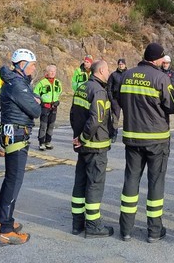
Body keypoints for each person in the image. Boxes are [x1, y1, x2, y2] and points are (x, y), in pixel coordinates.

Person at [117, 42, 174, 243]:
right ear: (157, 59)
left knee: (131, 181)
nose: (164, 61)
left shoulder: (127, 75)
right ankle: (154, 231)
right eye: (162, 58)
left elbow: (120, 99)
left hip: (132, 137)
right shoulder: (161, 78)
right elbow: (172, 106)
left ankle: (125, 229)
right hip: (156, 140)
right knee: (155, 183)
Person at [0, 48, 42, 246]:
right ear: (21, 64)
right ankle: (5, 230)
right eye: (31, 65)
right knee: (14, 181)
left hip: (14, 132)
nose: (33, 69)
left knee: (10, 180)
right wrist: (35, 101)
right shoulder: (17, 84)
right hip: (17, 134)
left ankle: (2, 222)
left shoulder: (15, 82)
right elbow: (35, 109)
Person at [70, 60, 116, 237]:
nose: (109, 73)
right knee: (95, 184)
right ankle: (93, 226)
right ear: (102, 71)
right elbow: (97, 118)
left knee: (80, 183)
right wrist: (83, 137)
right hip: (95, 145)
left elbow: (73, 113)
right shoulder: (98, 91)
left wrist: (77, 136)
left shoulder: (82, 87)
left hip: (83, 145)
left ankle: (77, 223)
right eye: (108, 70)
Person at [33, 64, 63, 151]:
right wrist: (40, 101)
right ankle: (41, 142)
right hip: (45, 107)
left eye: (54, 71)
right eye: (51, 71)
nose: (53, 73)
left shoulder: (58, 82)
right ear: (47, 72)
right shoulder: (42, 83)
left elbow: (59, 91)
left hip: (54, 107)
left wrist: (56, 100)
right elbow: (35, 93)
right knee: (43, 125)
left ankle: (48, 142)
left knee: (51, 125)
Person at [107, 58, 127, 128]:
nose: (121, 66)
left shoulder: (128, 74)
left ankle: (127, 135)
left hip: (125, 99)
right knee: (115, 119)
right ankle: (113, 135)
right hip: (115, 100)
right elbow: (109, 87)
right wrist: (111, 99)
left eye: (122, 64)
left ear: (125, 65)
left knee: (128, 118)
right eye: (119, 64)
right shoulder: (113, 75)